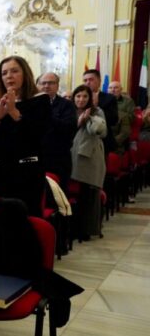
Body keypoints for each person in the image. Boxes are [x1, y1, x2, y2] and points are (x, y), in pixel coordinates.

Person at [0, 56, 51, 217]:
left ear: (25, 74)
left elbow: (38, 136)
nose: (9, 76)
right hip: (1, 172)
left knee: (25, 220)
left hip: (27, 172)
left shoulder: (40, 101)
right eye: (4, 73)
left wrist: (14, 113)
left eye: (14, 71)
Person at [71, 85, 107, 241]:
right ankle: (74, 228)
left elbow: (100, 131)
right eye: (78, 96)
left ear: (90, 98)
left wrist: (88, 119)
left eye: (85, 96)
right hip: (72, 157)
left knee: (89, 195)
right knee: (76, 195)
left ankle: (87, 229)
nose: (81, 99)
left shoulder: (96, 111)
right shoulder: (69, 110)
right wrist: (78, 121)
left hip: (90, 158)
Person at [37, 72, 78, 189]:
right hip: (38, 158)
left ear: (57, 86)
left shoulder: (67, 105)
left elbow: (69, 128)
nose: (46, 86)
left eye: (51, 83)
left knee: (58, 197)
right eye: (43, 83)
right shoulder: (32, 104)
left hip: (59, 159)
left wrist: (46, 114)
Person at [83, 70, 118, 154]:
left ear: (99, 81)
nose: (87, 82)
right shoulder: (79, 97)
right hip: (83, 140)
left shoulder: (109, 98)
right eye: (85, 80)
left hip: (102, 141)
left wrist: (97, 106)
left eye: (91, 79)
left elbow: (113, 120)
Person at [107, 80, 135, 155]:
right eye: (110, 88)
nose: (112, 90)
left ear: (121, 89)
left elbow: (131, 117)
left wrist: (118, 115)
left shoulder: (128, 101)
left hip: (121, 129)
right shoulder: (103, 100)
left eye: (115, 88)